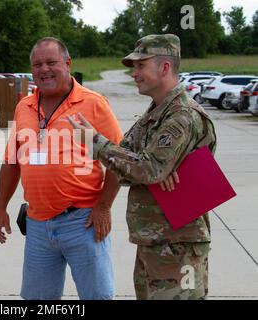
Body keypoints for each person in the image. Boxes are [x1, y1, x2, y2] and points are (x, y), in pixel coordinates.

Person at [69, 34, 217, 300]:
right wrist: (146, 170)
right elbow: (131, 164)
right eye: (133, 67)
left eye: (140, 66)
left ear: (165, 67)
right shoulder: (153, 116)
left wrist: (96, 141)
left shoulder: (182, 116)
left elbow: (147, 168)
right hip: (154, 243)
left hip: (178, 246)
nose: (133, 73)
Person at [0, 37, 123, 300]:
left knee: (97, 296)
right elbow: (11, 162)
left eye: (51, 62)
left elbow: (119, 161)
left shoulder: (93, 103)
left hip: (83, 221)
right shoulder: (24, 107)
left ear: (67, 63)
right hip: (37, 224)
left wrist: (104, 206)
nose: (44, 69)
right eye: (37, 64)